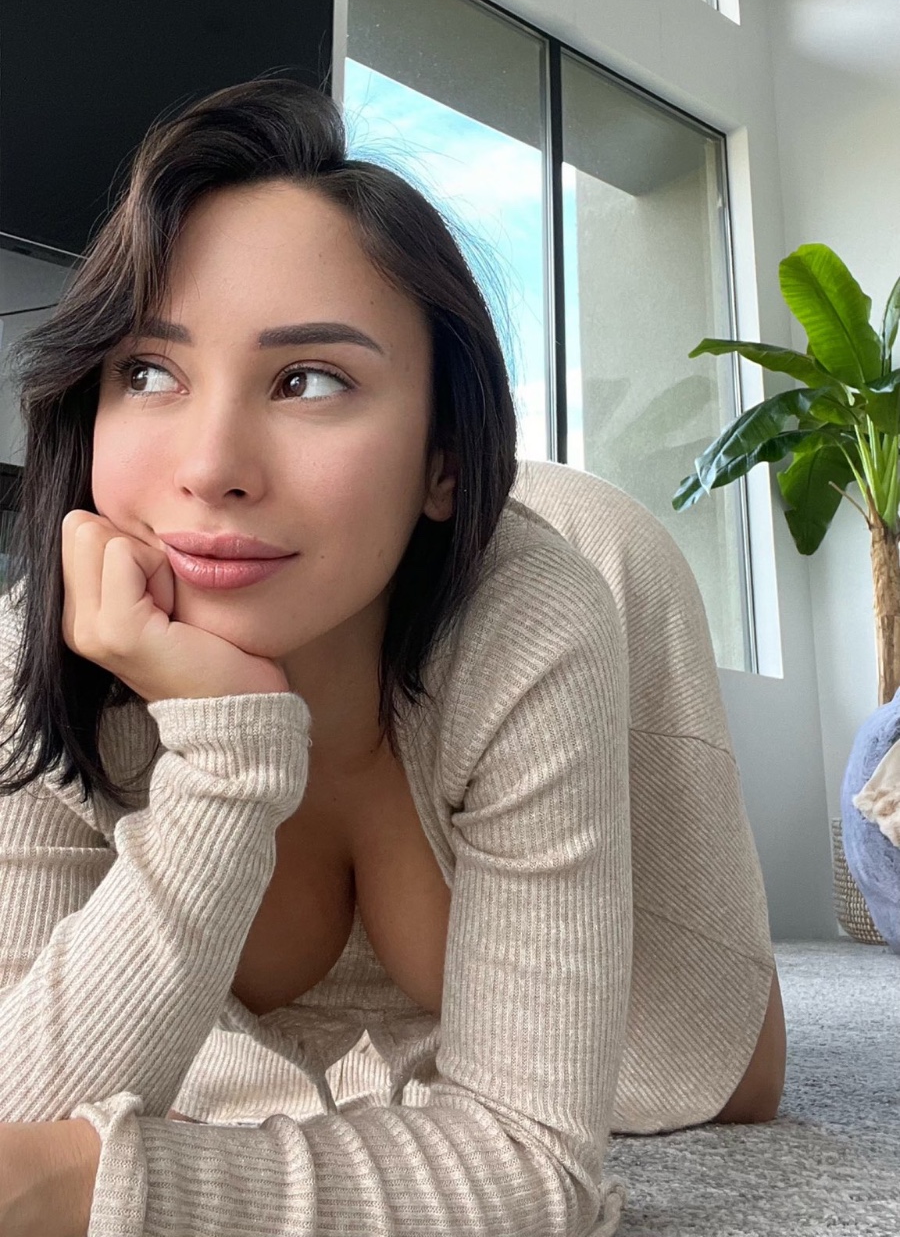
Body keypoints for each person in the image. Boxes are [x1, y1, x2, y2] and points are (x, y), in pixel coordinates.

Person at [0, 78, 783, 1237]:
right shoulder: (39, 645)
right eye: (149, 371)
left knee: (711, 1077)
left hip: (551, 588)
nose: (209, 468)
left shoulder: (536, 621)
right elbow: (16, 1120)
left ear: (445, 461)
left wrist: (106, 1185)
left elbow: (536, 1169)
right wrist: (224, 758)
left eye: (309, 379)